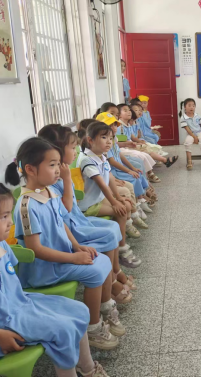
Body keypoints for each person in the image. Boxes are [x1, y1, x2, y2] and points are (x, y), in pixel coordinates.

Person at [0, 179, 109, 377]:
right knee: (63, 329)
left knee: (79, 310)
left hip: (20, 304)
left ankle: (87, 367)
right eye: (3, 216)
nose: (11, 222)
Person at [6, 138, 120, 350]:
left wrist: (77, 246)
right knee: (95, 271)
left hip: (63, 256)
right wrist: (73, 258)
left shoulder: (49, 191)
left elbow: (61, 223)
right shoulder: (26, 206)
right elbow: (35, 249)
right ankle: (93, 327)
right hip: (44, 269)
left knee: (102, 260)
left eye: (58, 164)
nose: (58, 169)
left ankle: (104, 308)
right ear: (30, 169)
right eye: (52, 165)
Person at [38, 124, 136, 306]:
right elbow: (66, 209)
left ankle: (114, 273)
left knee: (113, 227)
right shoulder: (52, 181)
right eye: (72, 147)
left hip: (77, 221)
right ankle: (112, 282)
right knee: (109, 233)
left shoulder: (59, 174)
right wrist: (67, 179)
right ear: (57, 151)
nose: (76, 151)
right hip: (72, 227)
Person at [77, 122, 143, 269]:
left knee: (126, 204)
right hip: (88, 206)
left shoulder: (101, 156)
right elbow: (101, 184)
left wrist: (118, 198)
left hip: (98, 200)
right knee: (122, 210)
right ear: (90, 140)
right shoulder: (87, 159)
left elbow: (110, 178)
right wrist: (114, 202)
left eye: (111, 138)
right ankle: (122, 250)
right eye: (104, 137)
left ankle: (120, 243)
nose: (109, 141)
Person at [95, 113, 152, 216]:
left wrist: (132, 168)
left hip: (119, 168)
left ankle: (141, 200)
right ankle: (137, 205)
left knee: (138, 174)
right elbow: (112, 162)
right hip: (114, 171)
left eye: (115, 125)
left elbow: (120, 155)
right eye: (110, 125)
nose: (114, 128)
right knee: (133, 178)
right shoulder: (105, 144)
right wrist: (129, 171)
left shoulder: (113, 139)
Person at [180, 98, 201, 170]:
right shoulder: (183, 117)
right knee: (187, 142)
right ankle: (189, 161)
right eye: (189, 105)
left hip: (200, 132)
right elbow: (187, 129)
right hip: (190, 134)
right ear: (185, 107)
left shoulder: (197, 116)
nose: (191, 107)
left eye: (193, 106)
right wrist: (194, 137)